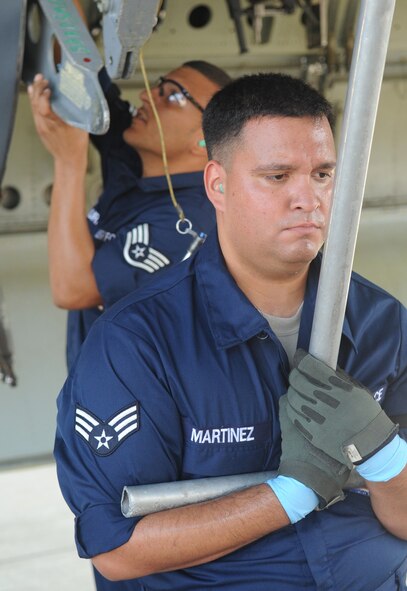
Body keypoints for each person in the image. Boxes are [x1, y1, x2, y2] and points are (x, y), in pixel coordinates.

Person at [54, 73, 407, 590]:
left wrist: (386, 457)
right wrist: (290, 494)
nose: (308, 199)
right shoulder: (136, 343)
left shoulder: (383, 322)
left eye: (323, 174)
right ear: (218, 184)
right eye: (278, 176)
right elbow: (117, 550)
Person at [28, 60, 231, 369]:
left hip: (128, 407)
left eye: (173, 96)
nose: (148, 95)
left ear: (204, 143)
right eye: (158, 86)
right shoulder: (134, 156)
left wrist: (69, 163)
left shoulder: (188, 221)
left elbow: (73, 289)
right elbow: (79, 64)